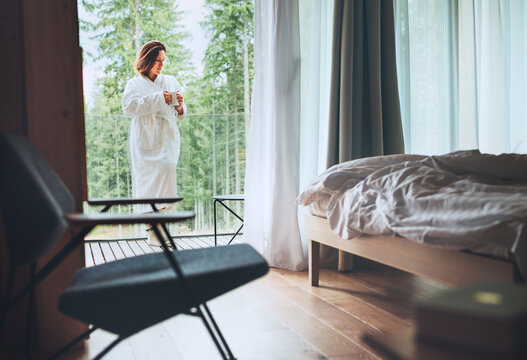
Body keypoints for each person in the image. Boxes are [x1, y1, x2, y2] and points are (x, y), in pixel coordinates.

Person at [122, 40, 187, 246]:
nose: (161, 64)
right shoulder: (134, 84)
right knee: (147, 181)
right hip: (145, 138)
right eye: (157, 60)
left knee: (167, 172)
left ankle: (161, 225)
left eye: (163, 60)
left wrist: (179, 108)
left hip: (166, 137)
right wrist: (159, 99)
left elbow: (181, 113)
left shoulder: (170, 80)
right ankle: (152, 230)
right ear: (147, 59)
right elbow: (129, 108)